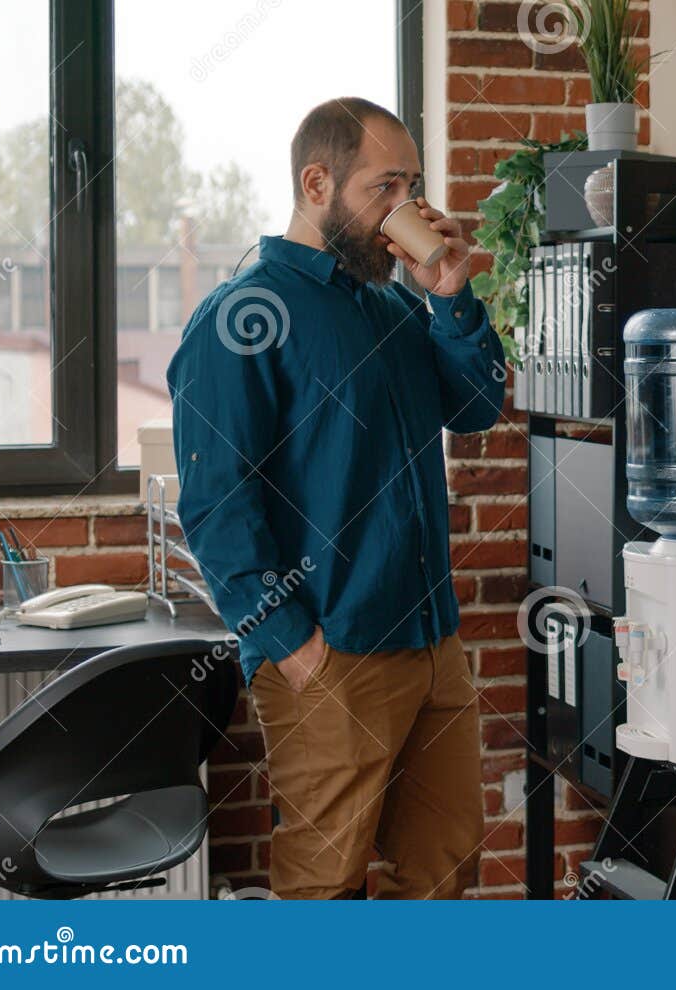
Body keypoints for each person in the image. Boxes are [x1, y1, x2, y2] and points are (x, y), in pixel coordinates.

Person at [167, 97, 505, 899]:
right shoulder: (240, 316)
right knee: (326, 891)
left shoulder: (392, 302)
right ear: (317, 183)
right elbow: (218, 504)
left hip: (431, 644)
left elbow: (478, 408)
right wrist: (292, 645)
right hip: (331, 654)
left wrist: (451, 295)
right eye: (385, 187)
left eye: (414, 185)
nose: (408, 208)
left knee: (443, 875)